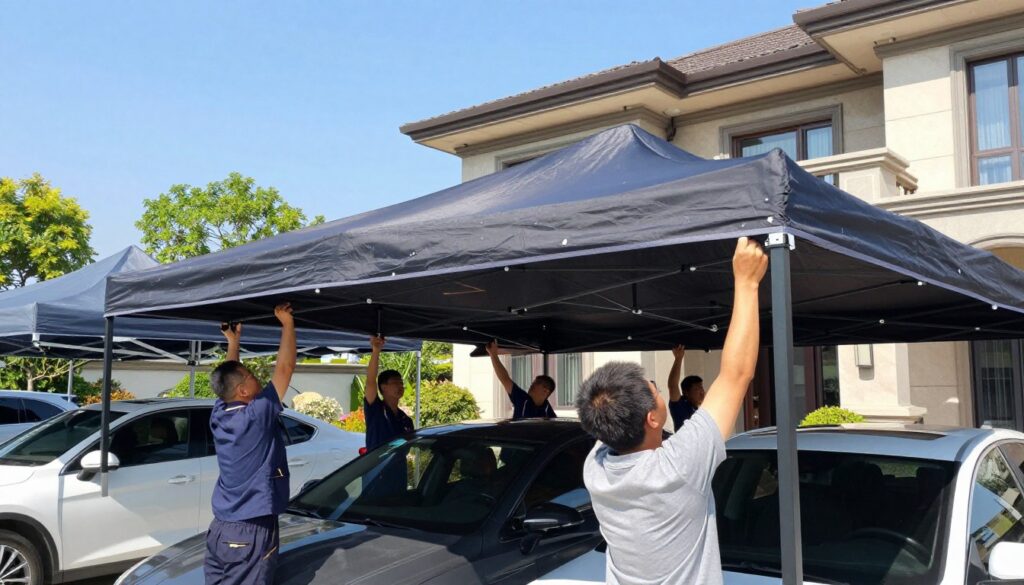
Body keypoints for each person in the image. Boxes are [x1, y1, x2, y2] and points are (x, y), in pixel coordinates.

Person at [575, 237, 768, 585]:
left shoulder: (597, 469)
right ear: (652, 418)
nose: (660, 390)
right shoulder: (677, 468)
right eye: (654, 390)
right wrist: (746, 282)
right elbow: (736, 374)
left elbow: (601, 405)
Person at [204, 303, 296, 585]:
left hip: (221, 529)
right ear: (243, 390)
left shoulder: (219, 414)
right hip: (251, 529)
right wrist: (288, 324)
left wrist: (233, 342)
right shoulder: (256, 415)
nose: (258, 378)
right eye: (252, 377)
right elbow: (285, 367)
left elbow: (228, 379)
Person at [364, 335, 414, 451]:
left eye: (401, 383)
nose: (400, 386)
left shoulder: (406, 420)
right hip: (378, 467)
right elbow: (371, 380)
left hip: (399, 467)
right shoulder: (375, 409)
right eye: (395, 383)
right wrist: (376, 351)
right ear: (383, 387)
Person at [485, 340, 556, 419]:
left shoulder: (547, 410)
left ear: (546, 391)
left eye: (538, 383)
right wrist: (493, 355)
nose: (532, 384)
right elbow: (505, 379)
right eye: (534, 382)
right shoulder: (522, 399)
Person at [666, 345, 706, 431]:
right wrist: (678, 358)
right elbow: (673, 386)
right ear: (686, 392)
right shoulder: (681, 405)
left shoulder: (699, 410)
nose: (702, 391)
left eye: (702, 387)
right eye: (697, 389)